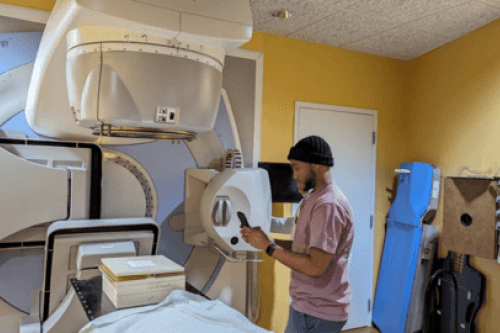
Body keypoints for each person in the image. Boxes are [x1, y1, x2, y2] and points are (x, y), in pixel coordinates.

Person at [240, 135, 354, 333]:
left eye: (296, 167)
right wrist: (266, 241)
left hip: (320, 313)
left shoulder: (328, 205)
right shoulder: (312, 198)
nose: (294, 175)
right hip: (304, 305)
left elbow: (314, 266)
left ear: (316, 165)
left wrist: (269, 247)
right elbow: (302, 248)